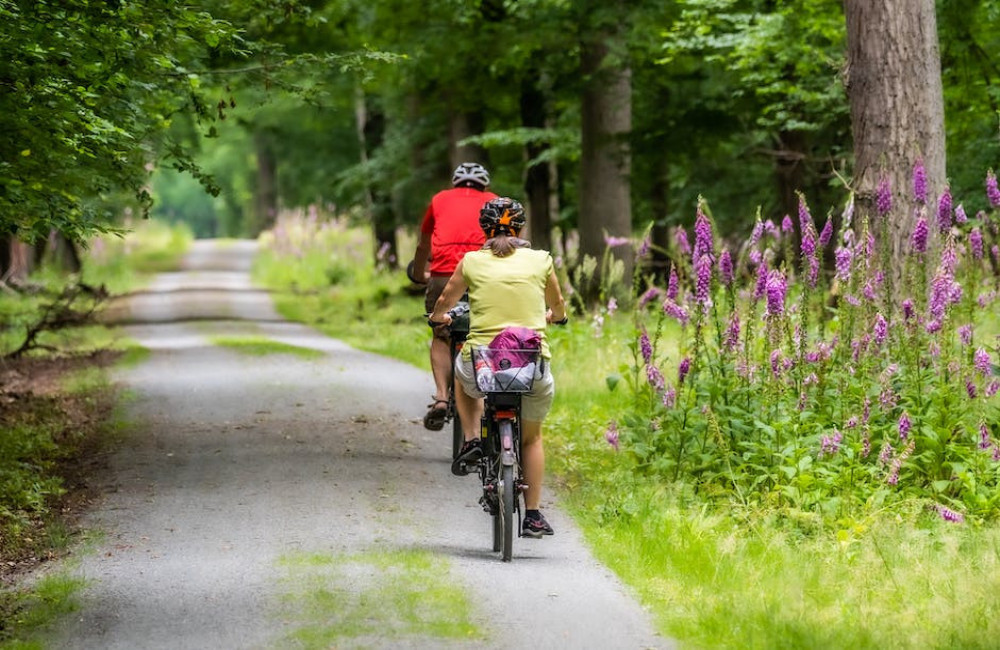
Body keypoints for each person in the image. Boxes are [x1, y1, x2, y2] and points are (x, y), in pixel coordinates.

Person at [428, 197, 568, 538]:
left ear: (484, 230)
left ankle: (473, 438)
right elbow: (558, 304)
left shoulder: (473, 261)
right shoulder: (540, 260)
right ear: (520, 228)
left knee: (463, 378)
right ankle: (533, 514)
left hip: (484, 365)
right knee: (532, 439)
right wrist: (556, 318)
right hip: (530, 365)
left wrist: (438, 317)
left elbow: (447, 298)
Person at [409, 162, 498, 431]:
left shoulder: (439, 200)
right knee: (488, 332)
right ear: (485, 185)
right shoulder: (494, 201)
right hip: (484, 273)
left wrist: (419, 272)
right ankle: (490, 391)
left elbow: (424, 243)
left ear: (455, 183)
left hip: (443, 273)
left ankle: (440, 398)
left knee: (441, 332)